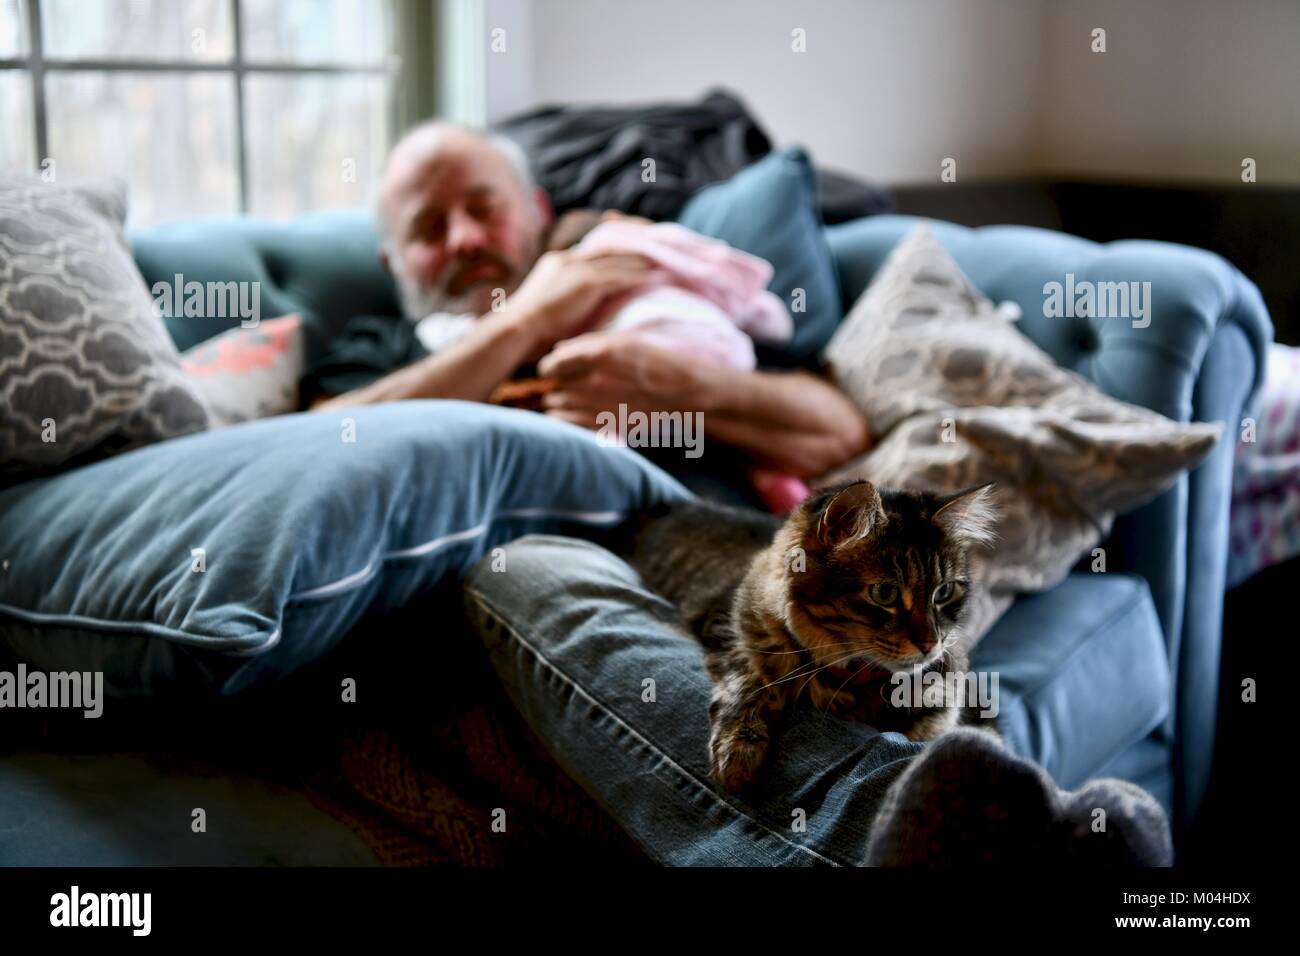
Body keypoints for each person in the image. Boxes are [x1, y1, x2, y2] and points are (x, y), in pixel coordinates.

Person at [304, 123, 870, 486]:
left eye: (485, 209)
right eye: (428, 229)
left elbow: (839, 433)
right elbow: (314, 446)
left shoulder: (627, 287)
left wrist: (682, 387)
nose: (465, 239)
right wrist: (524, 323)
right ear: (392, 263)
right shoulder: (381, 349)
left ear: (538, 211)